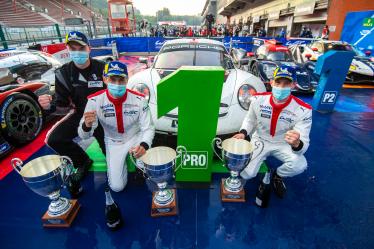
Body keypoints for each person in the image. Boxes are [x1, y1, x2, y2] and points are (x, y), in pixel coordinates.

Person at [78, 61, 155, 229]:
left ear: (127, 80)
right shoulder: (94, 101)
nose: (117, 84)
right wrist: (86, 125)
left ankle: (139, 165)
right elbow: (83, 135)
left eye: (121, 80)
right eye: (113, 79)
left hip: (136, 136)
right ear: (105, 79)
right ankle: (125, 165)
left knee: (145, 165)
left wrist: (144, 144)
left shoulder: (139, 99)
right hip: (113, 142)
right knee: (117, 187)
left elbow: (148, 128)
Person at [38, 31, 107, 195]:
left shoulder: (103, 68)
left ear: (89, 49)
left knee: (111, 155)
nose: (77, 52)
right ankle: (82, 161)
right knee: (54, 139)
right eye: (73, 48)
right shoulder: (63, 73)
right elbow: (62, 105)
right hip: (80, 115)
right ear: (68, 49)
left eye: (81, 48)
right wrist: (49, 105)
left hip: (104, 116)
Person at [233, 65, 312, 198]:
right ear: (271, 82)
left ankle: (277, 175)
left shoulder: (303, 110)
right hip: (260, 140)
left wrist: (297, 143)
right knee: (248, 173)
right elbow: (250, 120)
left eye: (286, 83)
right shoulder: (257, 100)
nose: (281, 87)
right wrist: (243, 133)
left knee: (299, 165)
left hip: (283, 143)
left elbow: (303, 143)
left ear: (293, 85)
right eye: (278, 82)